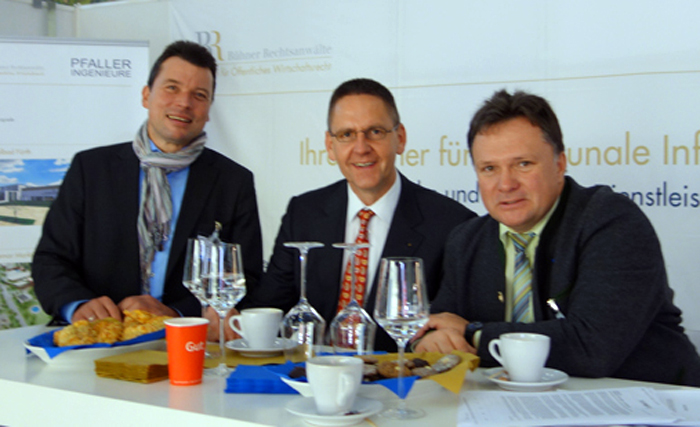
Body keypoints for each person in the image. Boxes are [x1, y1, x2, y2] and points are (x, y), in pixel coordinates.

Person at [415, 89, 700, 386]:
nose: (506, 184)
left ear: (560, 164)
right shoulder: (466, 239)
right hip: (512, 404)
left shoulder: (612, 221)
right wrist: (433, 340)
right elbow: (440, 323)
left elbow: (593, 348)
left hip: (646, 399)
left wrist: (474, 334)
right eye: (489, 169)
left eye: (523, 164)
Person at [32, 41, 263, 333]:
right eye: (172, 88)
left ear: (208, 110)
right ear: (146, 95)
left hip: (187, 339)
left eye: (199, 95)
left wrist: (177, 314)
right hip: (100, 336)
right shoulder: (91, 169)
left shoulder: (233, 181)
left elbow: (247, 278)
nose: (184, 102)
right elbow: (51, 259)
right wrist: (78, 305)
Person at [245, 78, 476, 351]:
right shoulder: (303, 213)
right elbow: (270, 307)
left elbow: (447, 326)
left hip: (398, 374)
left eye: (375, 132)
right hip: (311, 373)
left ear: (400, 138)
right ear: (330, 146)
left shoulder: (453, 224)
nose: (361, 147)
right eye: (346, 134)